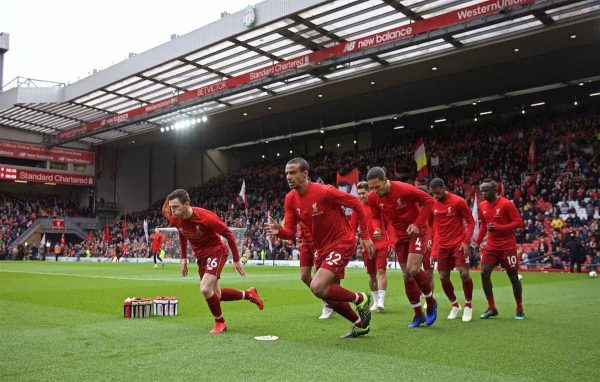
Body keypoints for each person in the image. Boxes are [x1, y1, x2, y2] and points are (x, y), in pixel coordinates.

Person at [266, 158, 375, 338]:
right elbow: (289, 232)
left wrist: (365, 236)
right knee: (329, 295)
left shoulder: (325, 191)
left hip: (342, 242)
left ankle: (361, 298)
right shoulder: (290, 199)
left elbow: (356, 203)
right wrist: (279, 232)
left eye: (293, 172)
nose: (288, 177)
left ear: (305, 174)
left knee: (317, 286)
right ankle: (360, 324)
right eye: (286, 173)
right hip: (321, 249)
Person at [163, 188, 263, 334]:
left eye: (175, 207)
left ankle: (220, 322)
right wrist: (183, 258)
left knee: (205, 289)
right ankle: (249, 294)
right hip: (201, 257)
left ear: (186, 204)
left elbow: (228, 233)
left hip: (216, 251)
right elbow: (182, 234)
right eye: (171, 207)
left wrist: (236, 259)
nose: (172, 211)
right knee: (217, 294)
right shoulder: (175, 218)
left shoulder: (205, 218)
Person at [367, 167, 437, 328]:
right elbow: (376, 216)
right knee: (406, 275)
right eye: (371, 187)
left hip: (417, 232)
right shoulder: (373, 197)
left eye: (377, 186)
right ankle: (418, 314)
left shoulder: (404, 189)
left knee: (413, 269)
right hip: (399, 236)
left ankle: (431, 302)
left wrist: (417, 224)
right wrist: (377, 228)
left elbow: (429, 201)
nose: (374, 191)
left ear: (386, 180)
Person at [474, 179, 525, 320]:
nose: (483, 193)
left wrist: (499, 227)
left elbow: (519, 223)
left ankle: (519, 307)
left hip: (507, 246)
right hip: (491, 246)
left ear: (495, 190)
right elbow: (484, 225)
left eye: (486, 190)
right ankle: (492, 308)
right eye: (482, 191)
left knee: (513, 277)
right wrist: (477, 242)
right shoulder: (482, 205)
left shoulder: (506, 204)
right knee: (484, 273)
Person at [429, 178, 476, 322]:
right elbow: (432, 226)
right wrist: (433, 248)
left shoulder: (458, 202)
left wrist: (466, 242)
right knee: (443, 277)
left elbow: (471, 221)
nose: (435, 196)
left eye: (437, 193)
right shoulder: (432, 204)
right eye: (433, 194)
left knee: (464, 274)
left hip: (458, 244)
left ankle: (468, 305)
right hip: (442, 246)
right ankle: (455, 305)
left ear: (444, 188)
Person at [351, 181, 389, 312]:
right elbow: (353, 228)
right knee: (371, 275)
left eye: (363, 193)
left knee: (381, 271)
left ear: (370, 192)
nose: (361, 196)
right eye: (359, 194)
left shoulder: (379, 204)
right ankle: (376, 301)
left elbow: (388, 222)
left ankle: (381, 302)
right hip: (367, 246)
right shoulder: (357, 209)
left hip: (382, 243)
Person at [297, 222, 334, 319]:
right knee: (304, 276)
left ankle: (328, 304)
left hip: (318, 242)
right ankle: (328, 298)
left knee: (318, 273)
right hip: (305, 243)